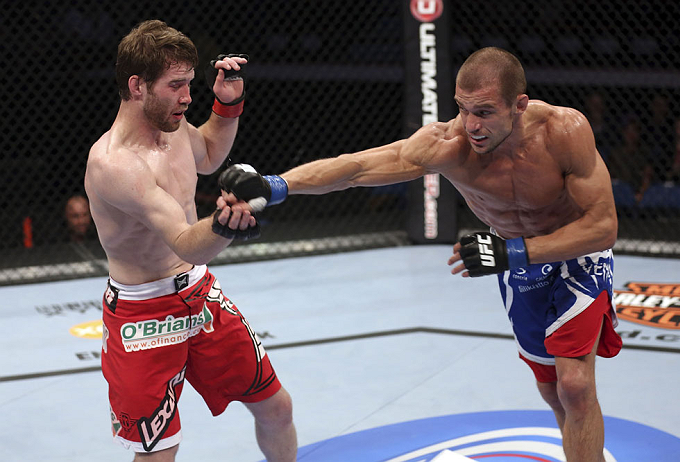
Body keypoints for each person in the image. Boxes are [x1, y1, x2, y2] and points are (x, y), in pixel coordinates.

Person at [220, 47, 622, 462]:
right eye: (463, 109)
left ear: (519, 105)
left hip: (575, 253)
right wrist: (276, 185)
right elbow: (356, 168)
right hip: (514, 260)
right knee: (553, 389)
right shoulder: (450, 144)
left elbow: (603, 226)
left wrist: (515, 252)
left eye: (484, 112)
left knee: (574, 385)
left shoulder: (564, 132)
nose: (472, 125)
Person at [84, 20, 296, 461]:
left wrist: (227, 103)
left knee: (276, 407)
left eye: (191, 84)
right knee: (160, 451)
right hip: (143, 312)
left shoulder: (173, 126)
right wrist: (225, 223)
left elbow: (211, 155)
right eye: (176, 85)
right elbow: (184, 239)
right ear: (137, 85)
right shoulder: (114, 164)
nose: (187, 96)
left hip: (198, 292)